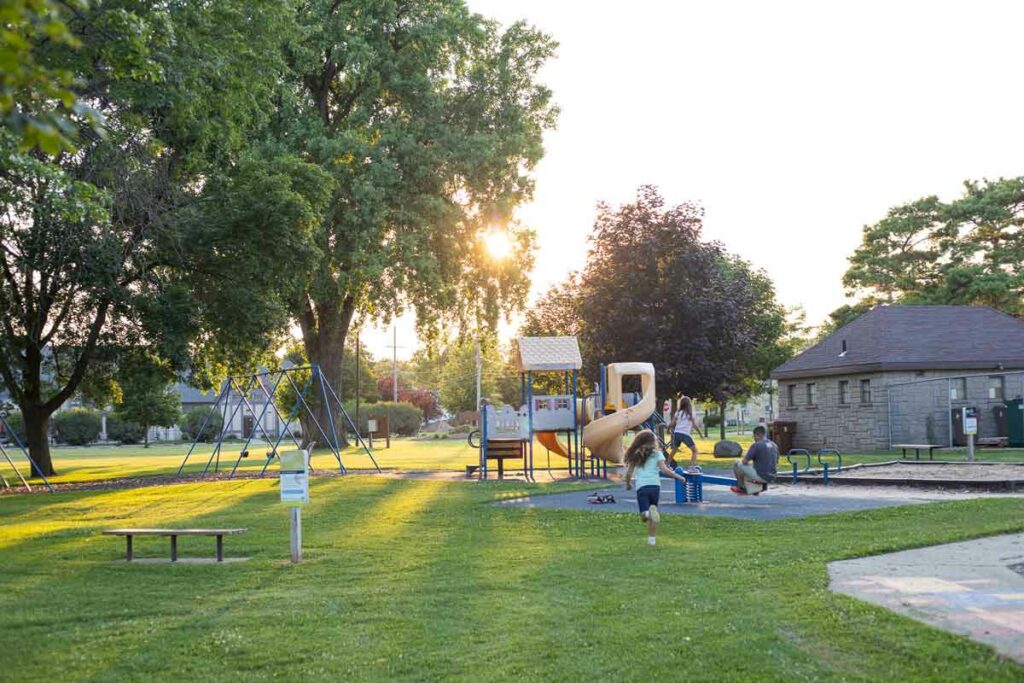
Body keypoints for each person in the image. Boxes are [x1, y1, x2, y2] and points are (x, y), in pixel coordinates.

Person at [624, 429, 688, 546]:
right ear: (653, 442)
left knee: (644, 515)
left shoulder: (636, 454)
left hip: (642, 488)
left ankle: (648, 514)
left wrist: (628, 483)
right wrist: (678, 477)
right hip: (655, 487)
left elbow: (629, 473)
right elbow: (664, 470)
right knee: (653, 515)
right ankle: (651, 540)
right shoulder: (658, 454)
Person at [731, 425, 778, 495]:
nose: (754, 439)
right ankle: (757, 488)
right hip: (772, 476)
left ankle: (741, 487)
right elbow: (775, 461)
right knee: (753, 466)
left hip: (762, 476)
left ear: (758, 435)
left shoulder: (756, 445)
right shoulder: (774, 445)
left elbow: (745, 461)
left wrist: (745, 456)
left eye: (754, 436)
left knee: (737, 463)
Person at [668, 396, 704, 469]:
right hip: (685, 434)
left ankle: (667, 464)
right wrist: (700, 434)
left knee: (674, 449)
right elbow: (694, 425)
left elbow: (672, 422)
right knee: (695, 451)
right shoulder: (691, 413)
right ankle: (692, 467)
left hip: (677, 433)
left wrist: (668, 429)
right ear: (689, 404)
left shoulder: (678, 412)